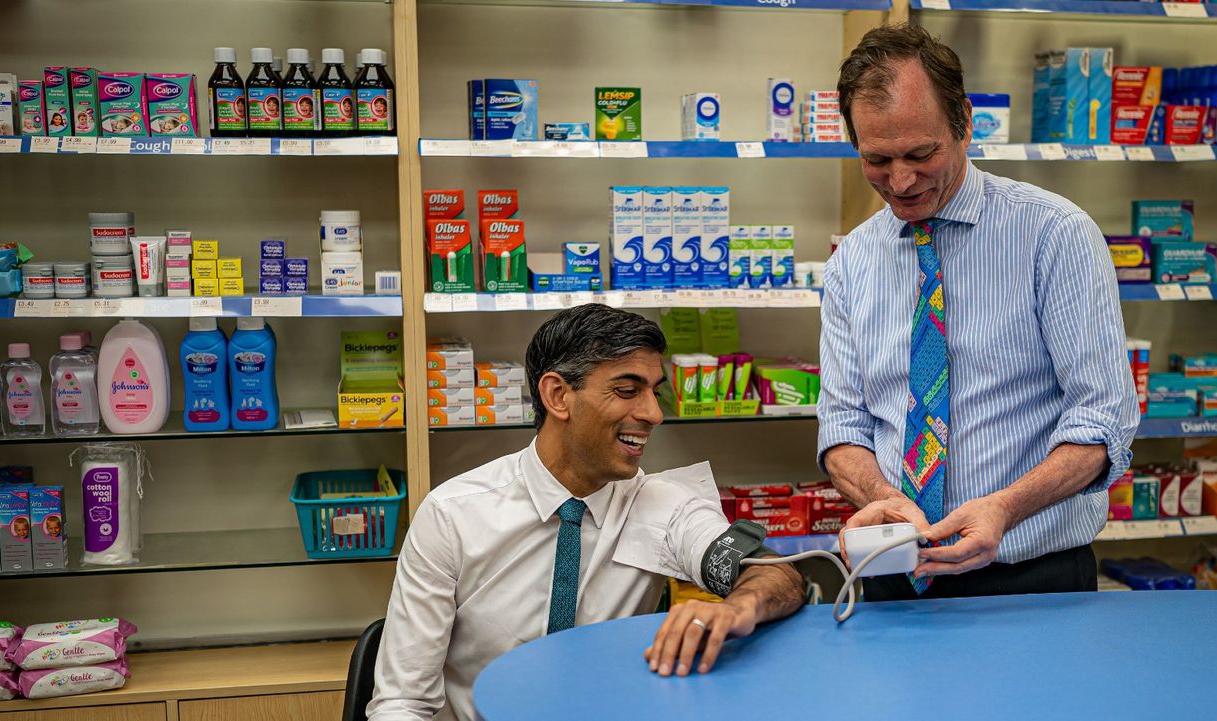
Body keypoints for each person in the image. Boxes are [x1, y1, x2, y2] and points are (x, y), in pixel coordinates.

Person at [820, 24, 1139, 602]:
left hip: (1033, 582)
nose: (900, 181)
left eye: (921, 153)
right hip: (895, 574)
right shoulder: (851, 263)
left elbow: (1102, 423)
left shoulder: (1054, 235)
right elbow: (842, 430)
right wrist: (879, 497)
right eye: (876, 159)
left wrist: (1004, 508)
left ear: (965, 121)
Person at [368, 304, 804, 721]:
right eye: (628, 390)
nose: (653, 413)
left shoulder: (664, 506)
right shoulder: (453, 515)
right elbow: (403, 702)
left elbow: (776, 574)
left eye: (655, 392)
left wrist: (738, 607)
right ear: (558, 395)